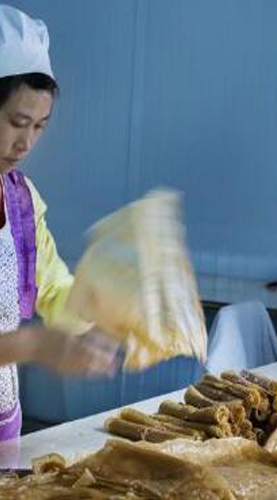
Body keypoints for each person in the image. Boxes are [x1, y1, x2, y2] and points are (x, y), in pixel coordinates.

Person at [0, 5, 119, 441]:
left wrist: (105, 310)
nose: (26, 143)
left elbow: (52, 289)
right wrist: (34, 345)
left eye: (40, 126)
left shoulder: (19, 200)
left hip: (4, 420)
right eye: (17, 123)